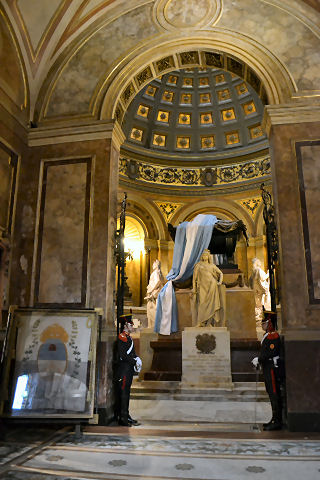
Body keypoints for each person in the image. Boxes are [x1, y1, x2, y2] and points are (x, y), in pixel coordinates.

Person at [252, 311, 284, 431]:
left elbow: (270, 352)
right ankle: (273, 419)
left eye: (264, 323)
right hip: (267, 368)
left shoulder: (273, 336)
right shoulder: (267, 336)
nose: (262, 325)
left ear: (270, 323)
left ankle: (277, 421)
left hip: (272, 369)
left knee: (274, 394)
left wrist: (259, 359)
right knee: (271, 394)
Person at [115, 314, 142, 426]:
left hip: (128, 369)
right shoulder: (122, 337)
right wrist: (134, 361)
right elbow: (123, 356)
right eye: (131, 325)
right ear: (126, 325)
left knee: (127, 393)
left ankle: (126, 415)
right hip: (124, 369)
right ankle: (123, 418)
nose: (133, 327)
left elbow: (131, 353)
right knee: (124, 393)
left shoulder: (128, 337)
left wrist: (137, 358)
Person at [192, 249, 224, 327]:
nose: (204, 256)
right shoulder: (198, 265)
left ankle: (209, 323)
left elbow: (221, 273)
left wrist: (219, 282)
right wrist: (194, 288)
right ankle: (201, 322)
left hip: (212, 286)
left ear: (209, 256)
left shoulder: (212, 266)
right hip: (202, 287)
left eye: (206, 255)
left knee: (212, 304)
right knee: (201, 303)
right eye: (203, 255)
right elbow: (194, 278)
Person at [249, 258, 271, 327]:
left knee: (257, 304)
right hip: (259, 290)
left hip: (255, 290)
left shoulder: (254, 272)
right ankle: (259, 317)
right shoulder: (258, 270)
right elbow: (263, 278)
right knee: (259, 304)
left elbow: (250, 281)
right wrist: (269, 274)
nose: (252, 265)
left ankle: (258, 316)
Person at [145, 259, 166, 328]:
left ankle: (153, 326)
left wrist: (151, 290)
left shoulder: (155, 272)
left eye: (153, 264)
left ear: (156, 265)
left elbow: (158, 281)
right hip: (155, 293)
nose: (152, 265)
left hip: (154, 293)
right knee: (153, 309)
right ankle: (153, 325)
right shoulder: (158, 272)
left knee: (152, 309)